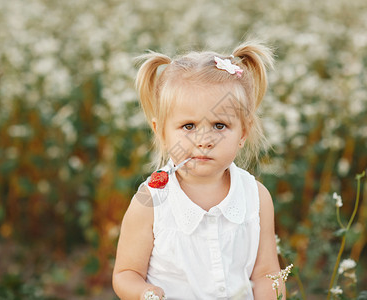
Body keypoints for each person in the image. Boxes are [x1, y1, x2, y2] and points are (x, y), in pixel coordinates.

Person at [112, 40, 285, 299]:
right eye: (189, 126)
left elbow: (266, 274)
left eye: (219, 125)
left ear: (243, 132)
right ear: (161, 132)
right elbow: (126, 273)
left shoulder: (256, 197)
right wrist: (146, 293)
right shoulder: (150, 200)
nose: (204, 140)